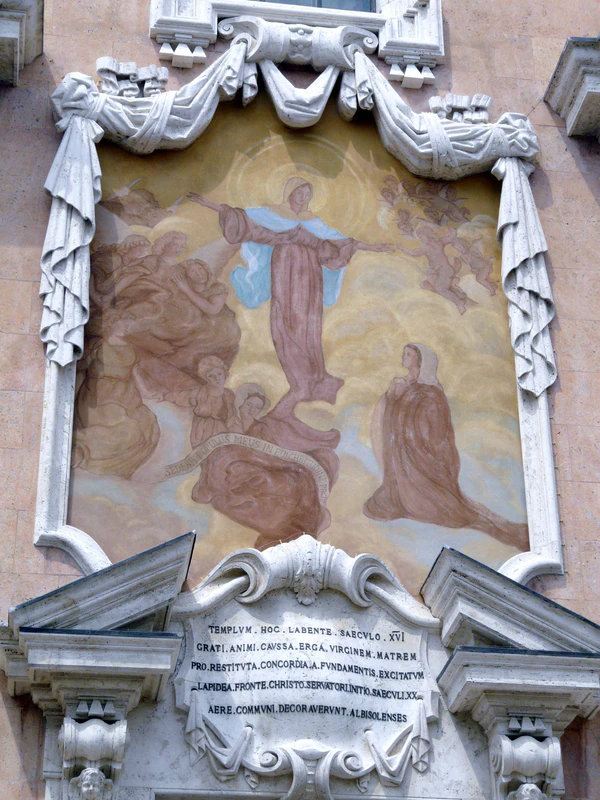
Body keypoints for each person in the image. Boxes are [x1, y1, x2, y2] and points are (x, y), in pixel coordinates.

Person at [188, 178, 393, 412]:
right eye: (299, 191)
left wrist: (371, 247)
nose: (303, 196)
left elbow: (340, 241)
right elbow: (245, 220)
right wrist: (211, 205)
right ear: (289, 192)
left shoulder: (313, 222)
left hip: (310, 273)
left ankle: (315, 374)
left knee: (309, 322)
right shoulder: (271, 215)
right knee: (288, 317)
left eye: (307, 193)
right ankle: (298, 378)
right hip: (285, 267)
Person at [364, 343, 529, 550]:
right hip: (401, 455)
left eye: (408, 354)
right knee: (382, 504)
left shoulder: (430, 393)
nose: (404, 357)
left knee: (437, 504)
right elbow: (392, 413)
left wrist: (415, 432)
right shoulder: (401, 385)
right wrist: (391, 396)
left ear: (420, 361)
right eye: (404, 353)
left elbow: (438, 429)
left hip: (420, 456)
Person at [166, 355, 236, 448]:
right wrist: (164, 396)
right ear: (205, 378)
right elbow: (180, 396)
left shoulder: (229, 394)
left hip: (222, 432)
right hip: (201, 433)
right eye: (211, 376)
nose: (217, 378)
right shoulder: (199, 392)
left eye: (219, 374)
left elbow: (233, 416)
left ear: (225, 374)